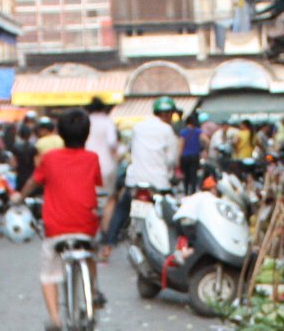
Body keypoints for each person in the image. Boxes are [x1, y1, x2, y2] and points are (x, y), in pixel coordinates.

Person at [13, 107, 110, 331]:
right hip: (85, 226)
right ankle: (94, 290)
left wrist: (18, 197)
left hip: (56, 229)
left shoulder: (50, 158)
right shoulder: (92, 158)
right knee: (89, 251)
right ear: (86, 135)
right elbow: (97, 184)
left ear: (60, 134)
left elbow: (33, 183)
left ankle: (55, 321)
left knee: (48, 275)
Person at [109, 96, 183, 246]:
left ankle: (108, 243)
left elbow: (131, 149)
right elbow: (171, 160)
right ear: (168, 114)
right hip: (159, 182)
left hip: (135, 180)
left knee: (121, 210)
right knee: (169, 215)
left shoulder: (138, 127)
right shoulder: (167, 130)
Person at [84, 97, 120, 204]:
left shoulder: (86, 121)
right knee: (108, 199)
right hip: (106, 164)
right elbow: (112, 142)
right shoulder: (107, 121)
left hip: (87, 165)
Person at [179, 111, 204, 186]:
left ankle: (186, 191)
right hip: (195, 155)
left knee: (186, 175)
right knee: (193, 174)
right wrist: (205, 150)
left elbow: (181, 145)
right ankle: (193, 191)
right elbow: (206, 140)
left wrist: (179, 157)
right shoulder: (198, 131)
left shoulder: (183, 132)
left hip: (185, 156)